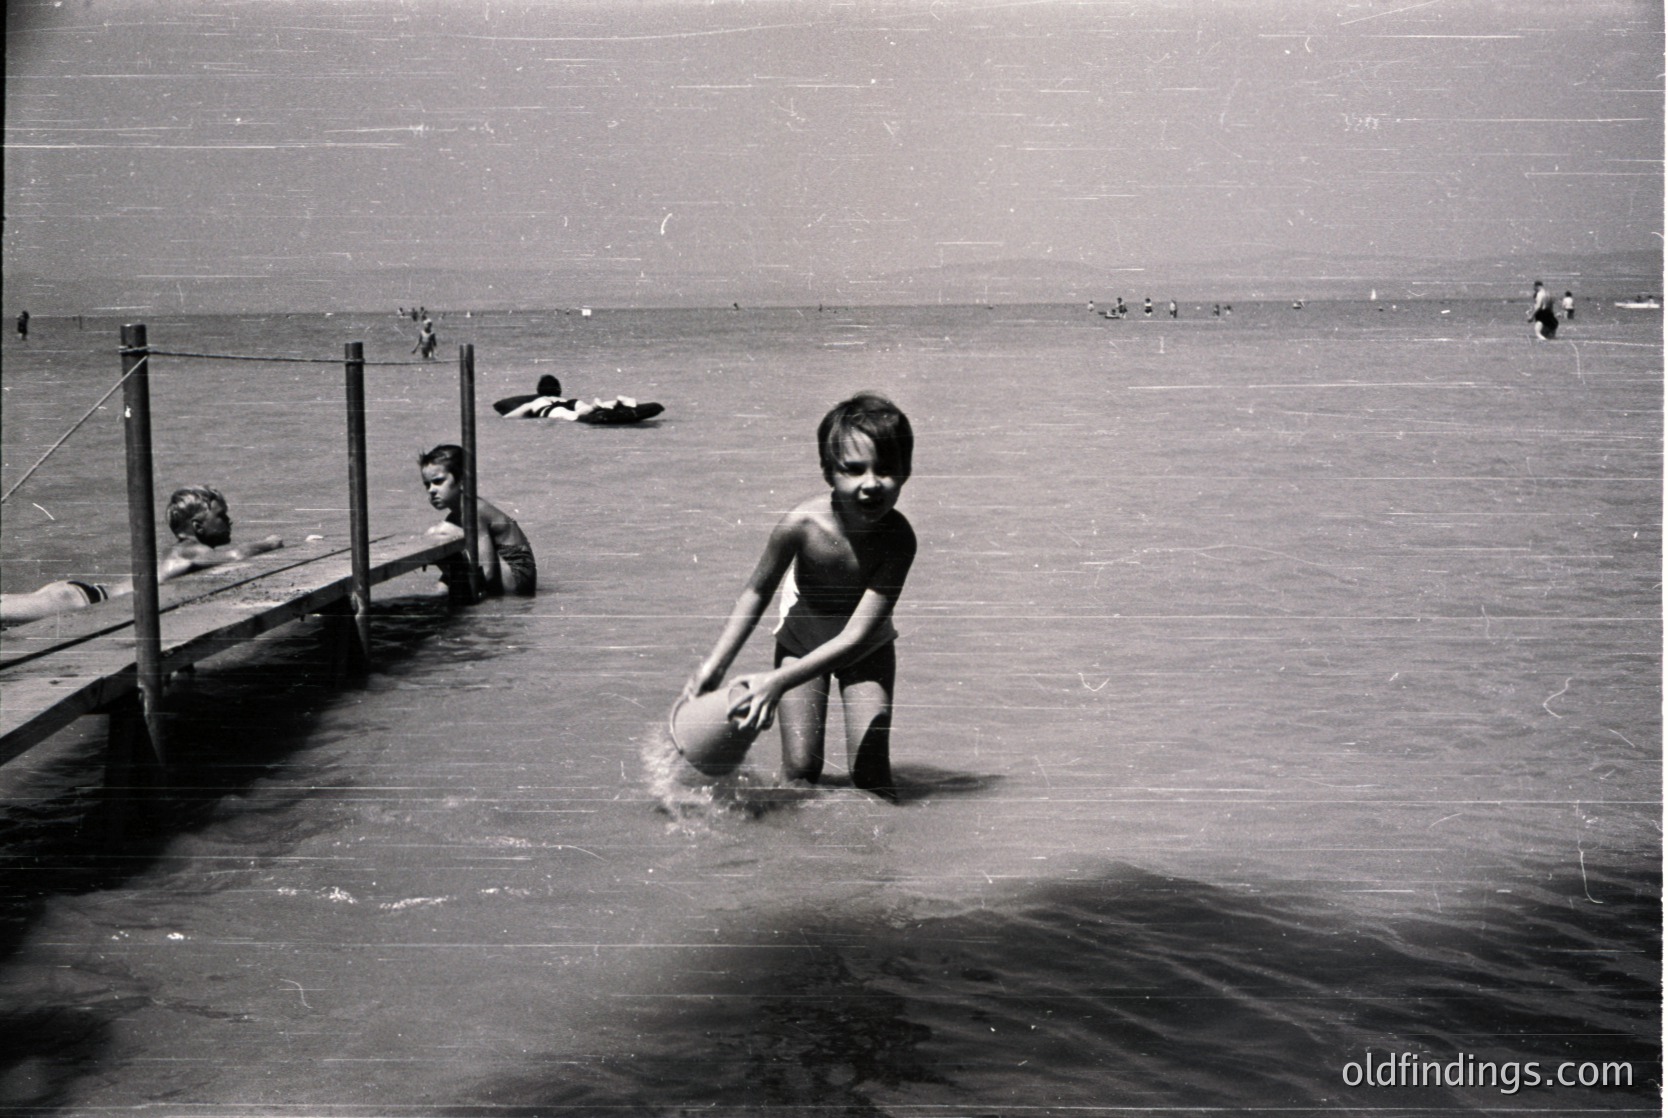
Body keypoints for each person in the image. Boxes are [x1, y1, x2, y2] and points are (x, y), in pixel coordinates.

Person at [684, 392, 917, 800]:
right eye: (853, 470)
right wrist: (715, 666)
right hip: (801, 640)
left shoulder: (899, 540)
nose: (871, 483)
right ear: (828, 473)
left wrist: (775, 683)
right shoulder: (801, 524)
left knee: (872, 778)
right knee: (801, 772)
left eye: (886, 469)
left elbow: (856, 636)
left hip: (866, 649)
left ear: (907, 471)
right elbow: (757, 591)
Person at [1, 485, 284, 625]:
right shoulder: (189, 550)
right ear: (198, 525)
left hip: (84, 595)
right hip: (83, 601)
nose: (229, 520)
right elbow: (235, 555)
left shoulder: (185, 550)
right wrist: (271, 543)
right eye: (221, 515)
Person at [418, 443, 537, 599]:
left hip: (516, 578)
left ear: (461, 479)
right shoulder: (455, 517)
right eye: (427, 484)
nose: (431, 490)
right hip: (510, 576)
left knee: (440, 532)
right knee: (439, 591)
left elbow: (487, 571)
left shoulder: (473, 510)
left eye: (438, 482)